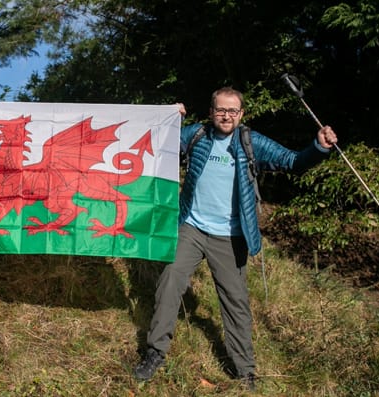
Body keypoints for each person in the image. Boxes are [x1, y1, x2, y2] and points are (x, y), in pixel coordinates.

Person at [133, 87, 337, 390]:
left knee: (235, 301)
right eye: (220, 110)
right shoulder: (196, 135)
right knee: (170, 280)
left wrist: (318, 148)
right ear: (211, 111)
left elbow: (292, 161)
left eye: (232, 111)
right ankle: (155, 353)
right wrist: (169, 119)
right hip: (191, 226)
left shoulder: (250, 142)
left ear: (241, 114)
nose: (226, 116)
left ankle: (244, 371)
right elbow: (157, 144)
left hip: (231, 236)